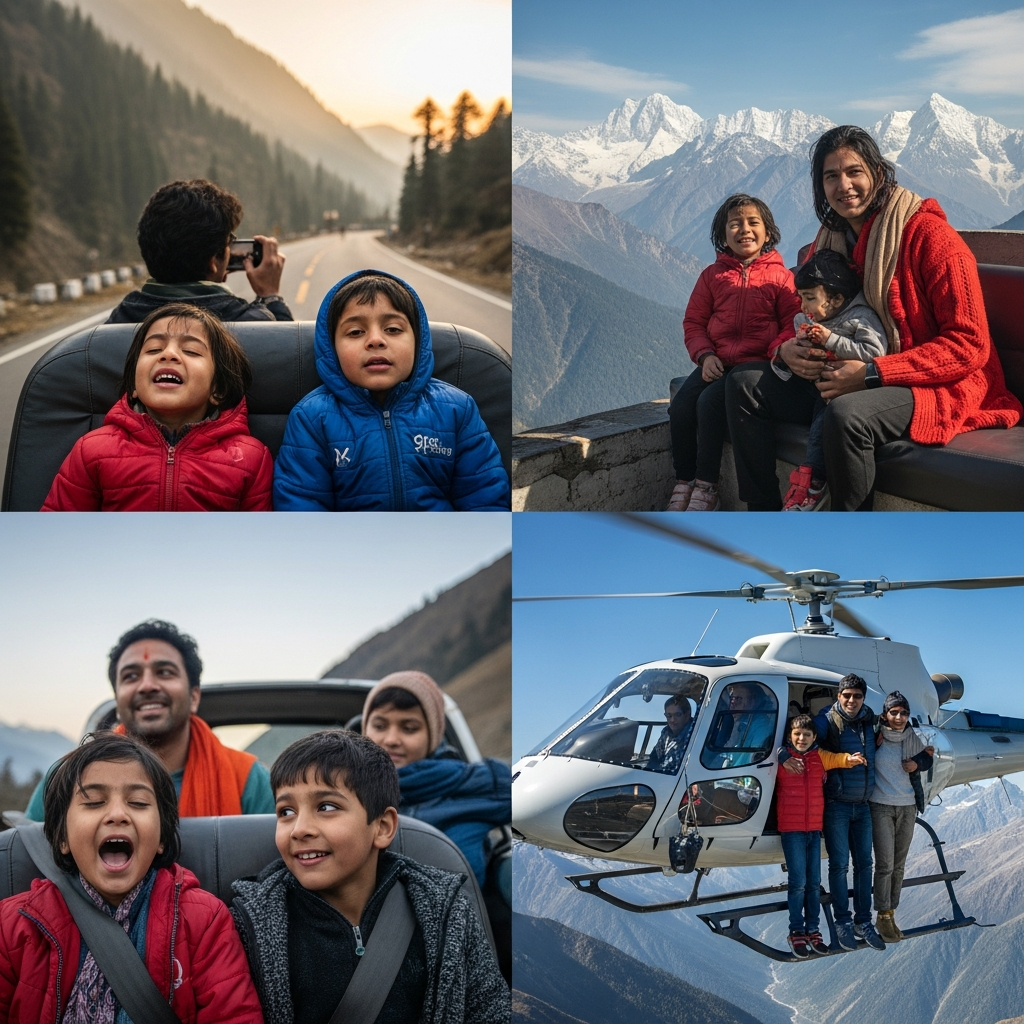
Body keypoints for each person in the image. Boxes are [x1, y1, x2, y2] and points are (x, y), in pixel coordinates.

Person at [726, 125, 1022, 510]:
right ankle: (763, 515)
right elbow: (804, 307)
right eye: (830, 176)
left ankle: (853, 544)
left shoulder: (932, 239)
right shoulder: (829, 238)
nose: (843, 185)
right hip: (842, 363)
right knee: (743, 383)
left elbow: (969, 345)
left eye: (854, 172)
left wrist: (871, 374)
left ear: (877, 174)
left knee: (847, 415)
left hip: (930, 381)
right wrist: (786, 349)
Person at [229, 730, 509, 1024]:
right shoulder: (253, 925)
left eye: (326, 807)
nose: (299, 829)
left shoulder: (446, 911)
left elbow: (489, 1009)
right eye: (286, 811)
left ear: (383, 827)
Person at [0, 733, 264, 1023]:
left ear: (162, 838)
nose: (117, 814)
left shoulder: (203, 921)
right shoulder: (14, 926)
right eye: (93, 802)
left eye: (137, 803)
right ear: (62, 838)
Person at [272, 270, 510, 511]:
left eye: (393, 329)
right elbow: (302, 509)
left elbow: (485, 501)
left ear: (418, 340)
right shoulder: (311, 417)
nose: (375, 340)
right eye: (355, 332)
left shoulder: (457, 410)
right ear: (331, 348)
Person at [25, 620, 274, 820]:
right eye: (131, 676)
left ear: (194, 696)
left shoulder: (249, 780)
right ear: (118, 701)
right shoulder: (67, 777)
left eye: (164, 672)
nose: (147, 685)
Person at [41, 305, 273, 511]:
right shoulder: (90, 451)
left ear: (218, 390)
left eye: (191, 351)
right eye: (153, 349)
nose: (168, 354)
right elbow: (57, 536)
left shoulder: (251, 458)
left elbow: (258, 544)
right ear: (133, 386)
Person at [667, 194, 801, 512]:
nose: (745, 229)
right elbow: (694, 322)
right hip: (717, 363)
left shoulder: (782, 279)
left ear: (768, 232)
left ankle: (705, 486)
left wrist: (774, 349)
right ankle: (684, 480)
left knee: (708, 405)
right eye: (735, 223)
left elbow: (791, 324)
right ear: (722, 233)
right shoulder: (712, 277)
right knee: (681, 407)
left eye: (754, 222)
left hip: (755, 369)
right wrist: (705, 355)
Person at [361, 671, 511, 889]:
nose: (391, 739)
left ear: (433, 735)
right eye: (380, 726)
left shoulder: (476, 787)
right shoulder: (346, 793)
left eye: (409, 728)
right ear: (364, 730)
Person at [778, 249, 886, 511]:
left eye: (810, 298)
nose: (803, 307)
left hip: (850, 392)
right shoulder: (808, 319)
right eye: (801, 298)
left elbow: (876, 353)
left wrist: (830, 340)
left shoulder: (861, 319)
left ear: (836, 298)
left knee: (822, 425)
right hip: (821, 386)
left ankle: (812, 481)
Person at [108, 178, 292, 324]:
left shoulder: (119, 318)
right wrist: (270, 296)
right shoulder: (252, 321)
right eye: (230, 241)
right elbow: (289, 355)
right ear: (213, 262)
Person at [776, 714, 865, 957]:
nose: (801, 738)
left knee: (814, 883)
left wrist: (850, 759)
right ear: (789, 736)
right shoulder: (781, 759)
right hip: (791, 829)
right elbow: (762, 756)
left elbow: (836, 759)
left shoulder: (819, 757)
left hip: (814, 828)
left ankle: (813, 930)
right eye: (797, 734)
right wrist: (781, 755)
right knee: (798, 883)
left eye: (806, 735)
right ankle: (796, 932)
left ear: (814, 737)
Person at [807, 674, 885, 950]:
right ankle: (842, 920)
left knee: (865, 865)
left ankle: (863, 922)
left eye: (857, 696)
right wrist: (842, 760)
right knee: (839, 865)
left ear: (863, 698)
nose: (851, 700)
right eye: (846, 695)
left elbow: (897, 734)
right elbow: (804, 745)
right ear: (838, 696)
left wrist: (923, 755)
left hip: (863, 805)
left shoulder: (869, 722)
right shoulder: (826, 721)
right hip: (837, 805)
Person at [870, 690, 934, 943]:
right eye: (894, 712)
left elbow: (927, 760)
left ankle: (890, 912)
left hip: (907, 806)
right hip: (881, 805)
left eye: (904, 713)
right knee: (884, 864)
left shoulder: (912, 737)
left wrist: (917, 765)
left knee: (899, 864)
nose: (899, 717)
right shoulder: (874, 737)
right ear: (885, 715)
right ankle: (881, 914)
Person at [704, 682, 777, 768]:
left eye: (738, 699)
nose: (733, 703)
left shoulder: (761, 725)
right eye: (732, 698)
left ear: (752, 702)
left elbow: (755, 759)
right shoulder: (735, 721)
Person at [646, 694, 693, 774]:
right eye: (669, 715)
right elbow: (654, 759)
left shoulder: (695, 734)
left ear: (687, 715)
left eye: (677, 715)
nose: (672, 720)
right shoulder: (666, 732)